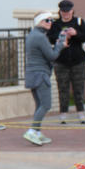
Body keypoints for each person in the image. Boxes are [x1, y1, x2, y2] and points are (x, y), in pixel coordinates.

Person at [23, 12, 70, 146]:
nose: (50, 22)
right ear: (39, 22)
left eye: (51, 20)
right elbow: (52, 56)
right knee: (46, 105)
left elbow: (44, 53)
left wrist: (56, 45)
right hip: (40, 75)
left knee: (39, 105)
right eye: (47, 20)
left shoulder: (33, 35)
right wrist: (60, 45)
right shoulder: (40, 37)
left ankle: (37, 132)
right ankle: (32, 131)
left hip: (32, 74)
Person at [46, 0, 85, 124]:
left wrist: (75, 34)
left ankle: (80, 112)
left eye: (68, 11)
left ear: (72, 10)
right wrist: (61, 35)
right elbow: (50, 38)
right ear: (60, 12)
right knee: (62, 87)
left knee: (78, 88)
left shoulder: (79, 22)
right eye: (63, 11)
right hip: (61, 60)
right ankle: (63, 113)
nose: (66, 13)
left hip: (78, 60)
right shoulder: (55, 24)